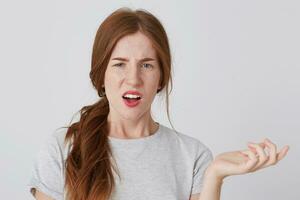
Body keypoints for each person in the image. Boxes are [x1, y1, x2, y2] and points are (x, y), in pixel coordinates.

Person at [27, 7, 290, 200]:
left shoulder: (193, 156)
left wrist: (215, 175)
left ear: (161, 77)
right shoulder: (62, 150)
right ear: (101, 74)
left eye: (147, 65)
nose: (133, 79)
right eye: (120, 64)